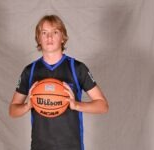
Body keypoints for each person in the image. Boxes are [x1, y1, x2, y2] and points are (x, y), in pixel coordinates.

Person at [9, 14, 109, 150]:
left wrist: (76, 105)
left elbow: (103, 106)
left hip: (71, 146)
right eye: (44, 33)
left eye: (55, 32)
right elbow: (13, 110)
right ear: (38, 38)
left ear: (63, 37)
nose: (49, 37)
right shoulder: (30, 70)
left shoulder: (77, 68)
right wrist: (28, 106)